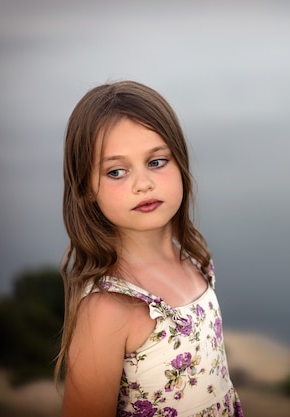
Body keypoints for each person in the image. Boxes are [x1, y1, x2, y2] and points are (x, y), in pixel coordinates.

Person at [55, 80, 243, 417]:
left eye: (156, 162)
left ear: (180, 164)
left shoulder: (192, 258)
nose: (143, 184)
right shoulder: (107, 307)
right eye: (116, 172)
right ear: (85, 189)